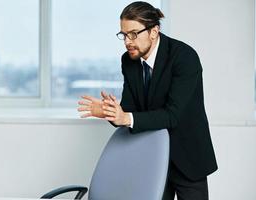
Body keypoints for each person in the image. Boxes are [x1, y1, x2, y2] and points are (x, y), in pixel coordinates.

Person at [78, 1, 218, 200]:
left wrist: (126, 117)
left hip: (188, 156)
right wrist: (112, 112)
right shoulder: (129, 60)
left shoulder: (184, 57)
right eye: (124, 35)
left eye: (134, 34)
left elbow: (172, 115)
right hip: (152, 158)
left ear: (154, 31)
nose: (128, 41)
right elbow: (130, 109)